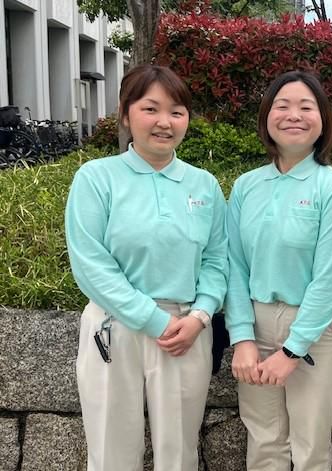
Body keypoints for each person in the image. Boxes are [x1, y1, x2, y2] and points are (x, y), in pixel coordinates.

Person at [65, 64, 228, 471]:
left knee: (179, 452)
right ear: (126, 114)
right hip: (115, 324)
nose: (164, 122)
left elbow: (217, 259)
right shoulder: (96, 178)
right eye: (150, 109)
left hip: (185, 330)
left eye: (176, 111)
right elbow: (90, 263)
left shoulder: (204, 185)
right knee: (111, 450)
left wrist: (201, 315)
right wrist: (152, 320)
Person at [225, 70, 332, 471]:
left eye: (306, 107)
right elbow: (233, 266)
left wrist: (292, 349)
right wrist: (242, 337)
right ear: (267, 116)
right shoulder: (246, 187)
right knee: (263, 438)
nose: (293, 115)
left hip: (313, 329)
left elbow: (331, 278)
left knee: (310, 443)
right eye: (282, 106)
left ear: (323, 119)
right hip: (256, 323)